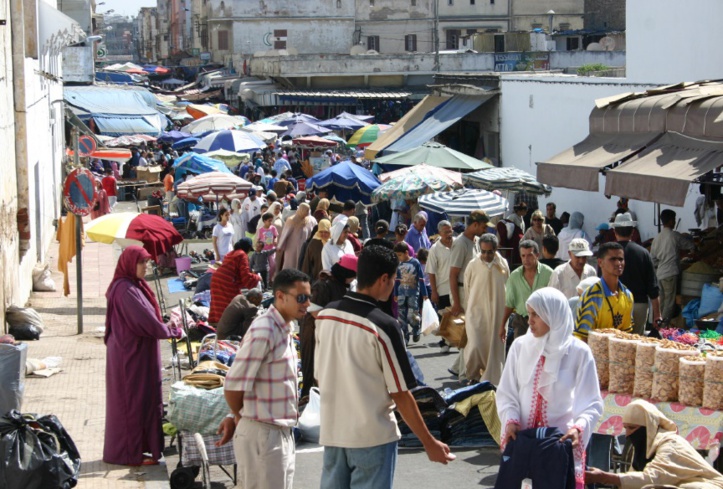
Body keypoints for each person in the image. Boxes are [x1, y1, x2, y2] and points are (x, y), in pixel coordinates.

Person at [315, 246, 454, 489]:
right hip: (372, 437)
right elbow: (400, 393)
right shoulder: (383, 326)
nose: (394, 285)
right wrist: (429, 442)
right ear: (384, 279)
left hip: (333, 432)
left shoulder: (326, 316)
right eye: (394, 279)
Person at [497, 287, 603, 489]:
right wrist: (511, 419)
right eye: (529, 314)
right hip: (523, 442)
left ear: (553, 314)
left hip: (559, 446)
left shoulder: (579, 352)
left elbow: (592, 402)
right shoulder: (520, 346)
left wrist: (578, 428)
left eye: (536, 314)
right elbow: (507, 392)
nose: (530, 321)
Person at [217, 269, 311, 489]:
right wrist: (240, 416)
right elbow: (233, 384)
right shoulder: (265, 330)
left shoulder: (285, 327)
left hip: (279, 432)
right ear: (280, 296)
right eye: (301, 298)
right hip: (263, 433)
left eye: (308, 297)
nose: (306, 303)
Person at [103, 246, 181, 466]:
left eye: (147, 263)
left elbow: (149, 318)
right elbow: (145, 321)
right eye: (142, 263)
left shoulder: (133, 286)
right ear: (129, 264)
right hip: (131, 356)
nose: (146, 267)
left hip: (137, 352)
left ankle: (142, 449)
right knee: (132, 403)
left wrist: (164, 327)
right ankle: (130, 453)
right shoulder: (125, 289)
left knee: (144, 400)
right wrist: (170, 331)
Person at [586, 400, 723, 489]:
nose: (627, 434)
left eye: (632, 428)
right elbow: (636, 480)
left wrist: (604, 477)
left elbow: (652, 477)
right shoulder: (646, 446)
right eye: (626, 427)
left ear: (649, 427)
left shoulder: (671, 445)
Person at [299, 255, 357, 399]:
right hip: (314, 332)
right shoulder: (323, 285)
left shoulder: (339, 284)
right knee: (313, 365)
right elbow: (314, 310)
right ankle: (309, 397)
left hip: (328, 332)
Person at [463, 234, 509, 385]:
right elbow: (467, 288)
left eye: (490, 252)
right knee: (475, 345)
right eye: (483, 251)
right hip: (477, 312)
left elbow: (507, 288)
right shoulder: (473, 265)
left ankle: (491, 379)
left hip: (498, 314)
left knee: (494, 347)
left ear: (496, 250)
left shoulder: (502, 265)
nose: (486, 255)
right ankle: (474, 375)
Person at [613, 212, 661, 334]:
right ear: (633, 232)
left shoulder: (609, 253)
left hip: (615, 305)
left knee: (616, 343)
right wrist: (657, 315)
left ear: (615, 231)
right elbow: (653, 288)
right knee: (636, 344)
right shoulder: (643, 253)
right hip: (639, 305)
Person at [574, 242, 634, 340]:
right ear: (600, 262)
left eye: (621, 259)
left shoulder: (627, 295)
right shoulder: (591, 296)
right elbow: (582, 336)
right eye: (613, 259)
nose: (618, 263)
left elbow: (626, 335)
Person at [498, 240, 553, 341]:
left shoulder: (548, 273)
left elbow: (554, 300)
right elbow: (509, 304)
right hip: (521, 321)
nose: (526, 259)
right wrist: (502, 326)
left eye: (530, 255)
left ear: (537, 255)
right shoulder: (514, 277)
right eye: (523, 256)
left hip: (544, 320)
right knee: (521, 353)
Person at [650, 209, 695, 324]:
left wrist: (660, 264)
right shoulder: (674, 235)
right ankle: (663, 327)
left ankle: (657, 324)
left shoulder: (657, 238)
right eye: (674, 220)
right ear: (670, 221)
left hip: (660, 274)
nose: (674, 222)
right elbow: (690, 245)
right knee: (669, 303)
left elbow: (653, 258)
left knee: (662, 302)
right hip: (670, 273)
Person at [209, 239, 262, 325]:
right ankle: (227, 324)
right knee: (234, 304)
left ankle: (218, 323)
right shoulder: (242, 255)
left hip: (216, 279)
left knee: (219, 303)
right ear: (247, 248)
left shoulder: (232, 253)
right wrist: (257, 278)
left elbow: (237, 272)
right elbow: (245, 276)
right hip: (226, 281)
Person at [449, 210, 490, 317]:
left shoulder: (478, 240)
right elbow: (453, 275)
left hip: (475, 292)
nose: (485, 230)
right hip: (463, 293)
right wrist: (457, 303)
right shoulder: (460, 244)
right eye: (484, 226)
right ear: (475, 225)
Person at [394, 242, 427, 344]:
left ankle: (416, 328)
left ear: (406, 252)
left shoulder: (415, 263)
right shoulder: (398, 265)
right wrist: (395, 293)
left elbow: (421, 279)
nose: (399, 258)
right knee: (401, 317)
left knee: (412, 315)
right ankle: (405, 338)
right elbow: (397, 280)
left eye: (400, 255)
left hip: (413, 294)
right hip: (401, 294)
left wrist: (424, 294)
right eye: (397, 256)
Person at [276, 202, 316, 271]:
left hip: (302, 247)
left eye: (308, 210)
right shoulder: (291, 220)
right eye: (306, 210)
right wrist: (280, 246)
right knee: (290, 263)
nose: (307, 212)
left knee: (299, 263)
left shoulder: (308, 220)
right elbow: (285, 233)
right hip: (291, 247)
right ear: (301, 210)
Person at [427, 220, 454, 311]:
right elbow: (431, 272)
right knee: (444, 321)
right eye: (446, 232)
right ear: (440, 233)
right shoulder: (434, 249)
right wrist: (434, 291)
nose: (449, 234)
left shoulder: (458, 245)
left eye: (450, 231)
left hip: (459, 290)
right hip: (443, 291)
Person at [256, 211, 279, 280]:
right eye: (269, 221)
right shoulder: (261, 230)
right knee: (264, 267)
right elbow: (258, 239)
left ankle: (270, 279)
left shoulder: (273, 228)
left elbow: (276, 236)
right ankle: (265, 280)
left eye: (271, 221)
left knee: (273, 265)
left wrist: (275, 240)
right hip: (263, 251)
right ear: (264, 221)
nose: (270, 222)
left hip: (271, 250)